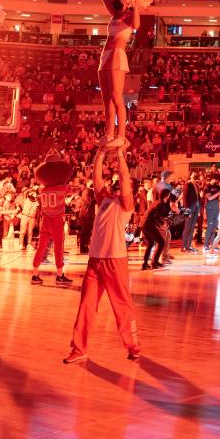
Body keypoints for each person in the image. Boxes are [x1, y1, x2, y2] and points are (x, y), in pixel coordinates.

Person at [65, 149, 140, 364]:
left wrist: (120, 155)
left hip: (115, 260)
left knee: (121, 305)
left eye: (122, 184)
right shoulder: (105, 200)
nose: (118, 184)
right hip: (95, 260)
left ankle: (133, 345)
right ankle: (78, 349)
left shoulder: (127, 204)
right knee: (86, 305)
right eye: (116, 183)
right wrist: (99, 155)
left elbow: (125, 177)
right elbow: (97, 180)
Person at [98, 0, 141, 148]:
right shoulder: (114, 14)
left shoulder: (130, 16)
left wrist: (136, 3)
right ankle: (109, 133)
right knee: (106, 98)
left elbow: (137, 25)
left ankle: (121, 135)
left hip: (117, 54)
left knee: (117, 96)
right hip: (105, 55)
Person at [31, 152, 75, 286]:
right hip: (56, 220)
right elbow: (75, 190)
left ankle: (34, 274)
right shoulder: (63, 188)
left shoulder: (42, 190)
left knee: (41, 248)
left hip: (45, 221)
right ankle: (60, 275)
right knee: (58, 248)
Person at [141, 191, 173, 270]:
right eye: (168, 195)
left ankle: (145, 263)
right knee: (161, 242)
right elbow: (156, 217)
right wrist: (163, 223)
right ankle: (154, 262)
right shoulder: (160, 204)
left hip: (143, 224)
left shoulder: (157, 202)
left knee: (151, 243)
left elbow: (155, 215)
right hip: (148, 224)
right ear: (166, 196)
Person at [202, 176, 220, 254]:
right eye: (216, 179)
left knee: (214, 227)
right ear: (213, 178)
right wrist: (219, 192)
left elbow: (219, 198)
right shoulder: (207, 186)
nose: (217, 181)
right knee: (210, 227)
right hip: (210, 208)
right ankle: (205, 245)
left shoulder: (217, 186)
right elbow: (209, 198)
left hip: (216, 207)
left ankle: (213, 245)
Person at [180, 176, 200, 252]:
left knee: (192, 228)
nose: (195, 176)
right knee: (187, 227)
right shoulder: (187, 185)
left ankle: (188, 246)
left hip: (196, 208)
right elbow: (184, 198)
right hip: (189, 209)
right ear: (190, 176)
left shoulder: (197, 185)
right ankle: (183, 246)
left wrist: (198, 210)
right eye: (193, 175)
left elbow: (198, 198)